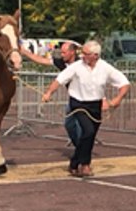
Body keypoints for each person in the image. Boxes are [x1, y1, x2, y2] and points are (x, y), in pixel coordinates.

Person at [40, 39, 129, 177]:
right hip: (78, 104)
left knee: (90, 136)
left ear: (95, 55)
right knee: (87, 132)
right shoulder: (76, 66)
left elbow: (124, 83)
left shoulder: (105, 68)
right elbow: (60, 79)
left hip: (95, 105)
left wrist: (117, 99)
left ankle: (74, 162)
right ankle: (85, 165)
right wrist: (48, 93)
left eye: (86, 54)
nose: (82, 56)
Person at [22, 40, 83, 145]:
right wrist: (24, 52)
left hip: (86, 99)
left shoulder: (82, 63)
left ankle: (82, 149)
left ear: (72, 52)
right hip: (73, 99)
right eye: (61, 52)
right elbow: (40, 60)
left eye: (64, 53)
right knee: (69, 125)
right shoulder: (61, 62)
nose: (61, 55)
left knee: (80, 125)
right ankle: (80, 146)